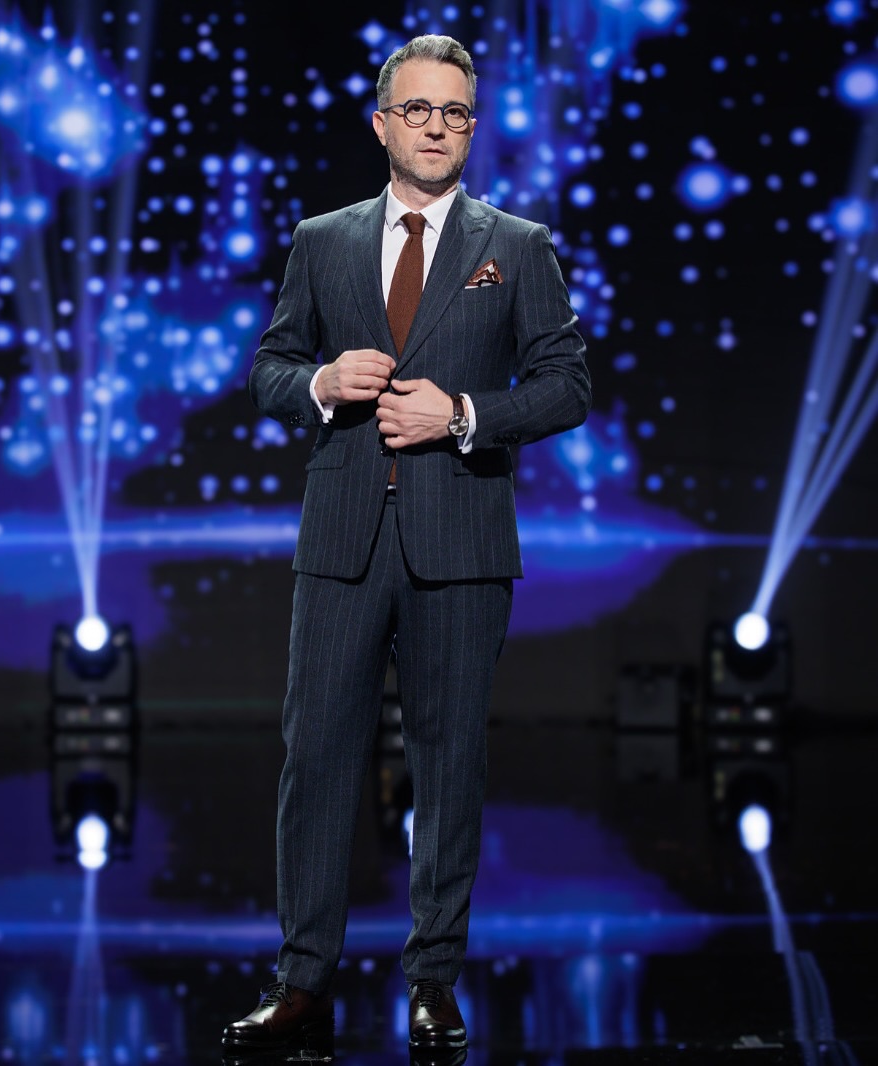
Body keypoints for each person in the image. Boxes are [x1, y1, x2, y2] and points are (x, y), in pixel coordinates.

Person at [222, 33, 590, 1054]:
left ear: (472, 128)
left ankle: (433, 979)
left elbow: (567, 385)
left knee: (448, 764)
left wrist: (463, 413)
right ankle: (302, 983)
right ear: (382, 123)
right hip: (342, 539)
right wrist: (318, 383)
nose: (436, 128)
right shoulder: (322, 240)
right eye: (417, 110)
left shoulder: (517, 244)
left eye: (454, 113)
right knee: (315, 760)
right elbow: (269, 367)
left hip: (461, 539)